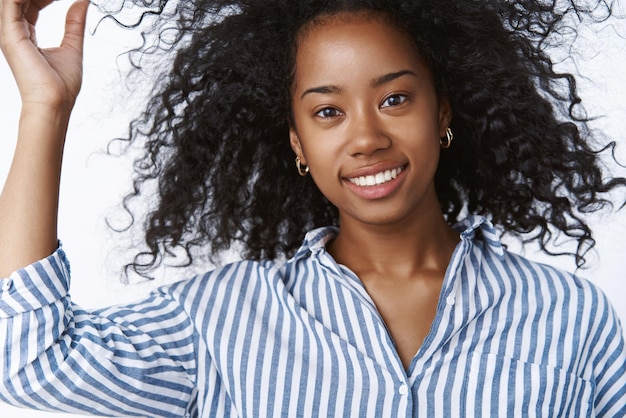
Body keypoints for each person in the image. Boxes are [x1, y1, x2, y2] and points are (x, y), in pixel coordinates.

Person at [1, 0, 625, 416]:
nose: (365, 138)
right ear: (298, 144)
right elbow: (29, 361)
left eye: (396, 99)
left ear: (443, 112)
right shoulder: (219, 321)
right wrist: (43, 108)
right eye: (328, 111)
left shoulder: (570, 316)